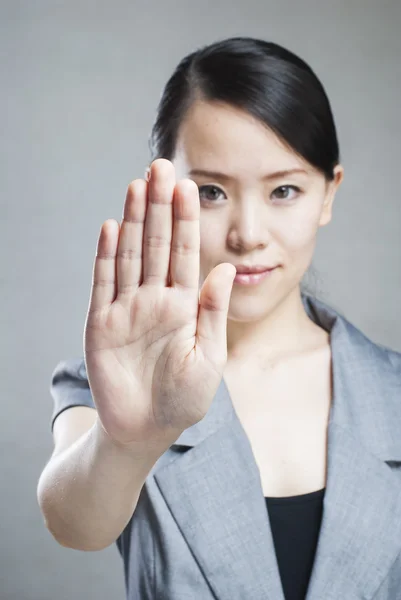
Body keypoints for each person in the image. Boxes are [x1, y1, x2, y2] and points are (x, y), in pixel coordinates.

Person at [37, 37, 401, 600]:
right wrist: (131, 442)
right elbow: (74, 524)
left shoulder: (393, 392)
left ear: (329, 193)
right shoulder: (116, 382)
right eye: (210, 191)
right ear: (164, 191)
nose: (248, 233)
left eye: (284, 190)